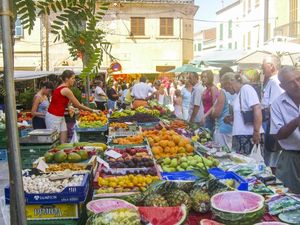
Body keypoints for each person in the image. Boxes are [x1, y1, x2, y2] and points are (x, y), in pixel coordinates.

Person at [46, 70, 99, 143]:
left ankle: (63, 152)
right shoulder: (66, 90)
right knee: (54, 141)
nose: (74, 80)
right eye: (73, 78)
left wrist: (69, 107)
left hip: (60, 116)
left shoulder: (64, 88)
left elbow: (62, 102)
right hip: (53, 117)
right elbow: (78, 105)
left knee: (63, 140)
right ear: (67, 79)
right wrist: (93, 110)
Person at [270, 66, 300, 193]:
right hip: (291, 157)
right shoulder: (278, 103)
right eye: (291, 82)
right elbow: (278, 135)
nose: (297, 84)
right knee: (290, 197)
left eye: (298, 79)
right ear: (282, 86)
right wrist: (297, 120)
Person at [221, 72, 264, 155]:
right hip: (240, 135)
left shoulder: (246, 89)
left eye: (224, 86)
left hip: (248, 135)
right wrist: (232, 118)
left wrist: (256, 131)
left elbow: (257, 108)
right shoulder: (239, 94)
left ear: (229, 83)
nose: (225, 90)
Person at [261, 55, 284, 172]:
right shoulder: (271, 81)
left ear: (271, 66)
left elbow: (273, 106)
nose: (261, 68)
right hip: (270, 123)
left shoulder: (275, 82)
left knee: (272, 158)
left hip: (271, 124)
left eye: (263, 66)